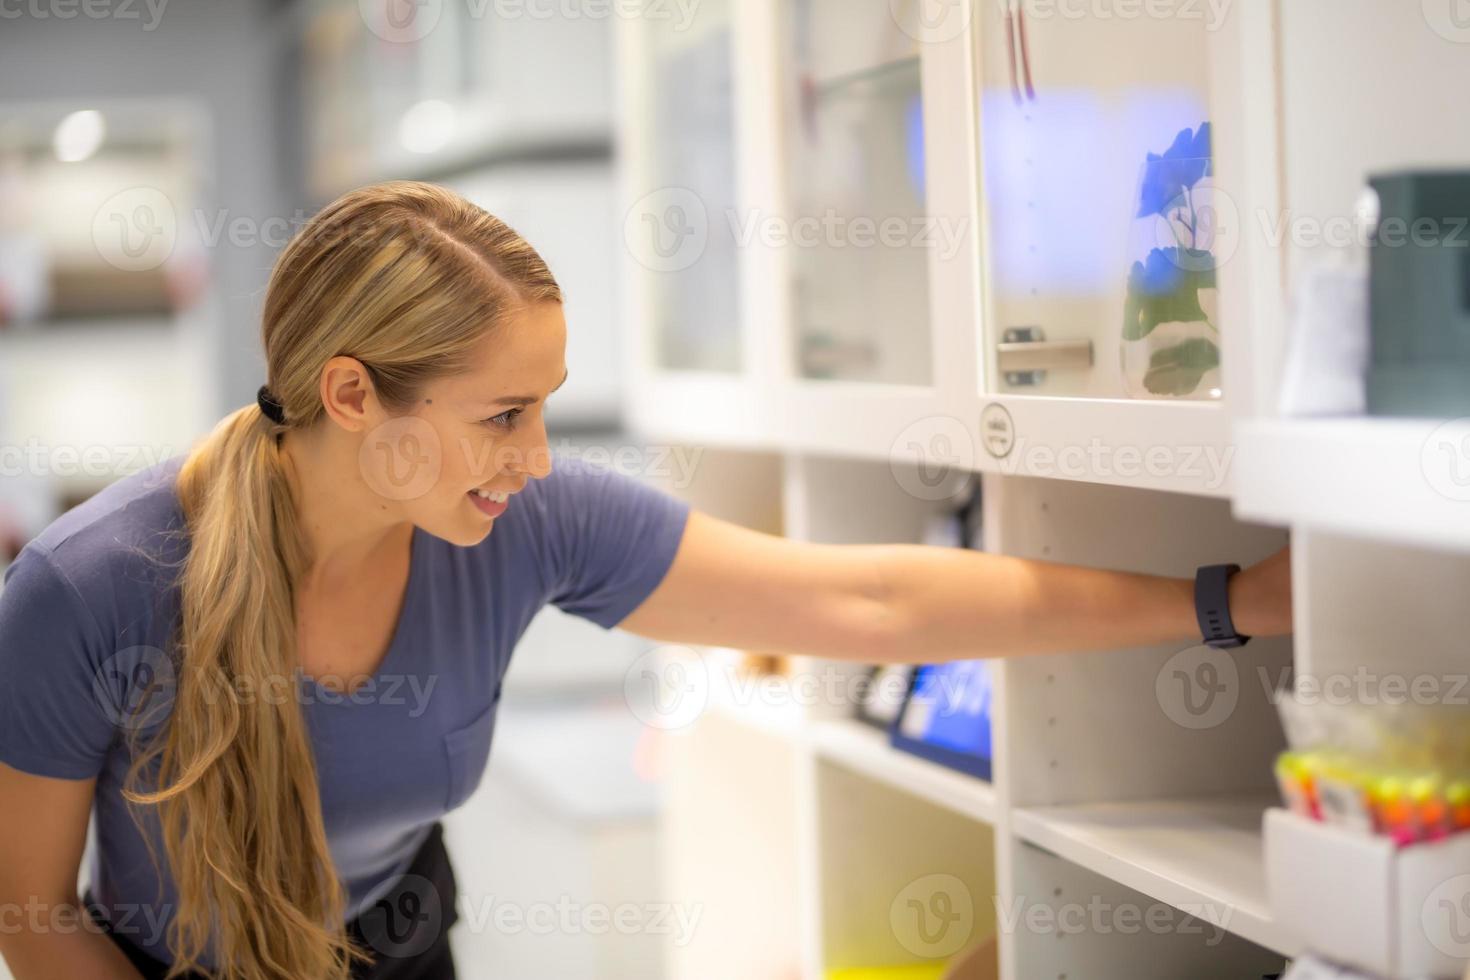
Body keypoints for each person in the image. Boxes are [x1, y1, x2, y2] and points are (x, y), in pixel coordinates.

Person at [0, 181, 1292, 980]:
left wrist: (1223, 601)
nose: (536, 456)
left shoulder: (527, 520)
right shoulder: (88, 589)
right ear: (351, 395)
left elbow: (866, 603)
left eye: (545, 410)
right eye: (504, 412)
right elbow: (29, 913)